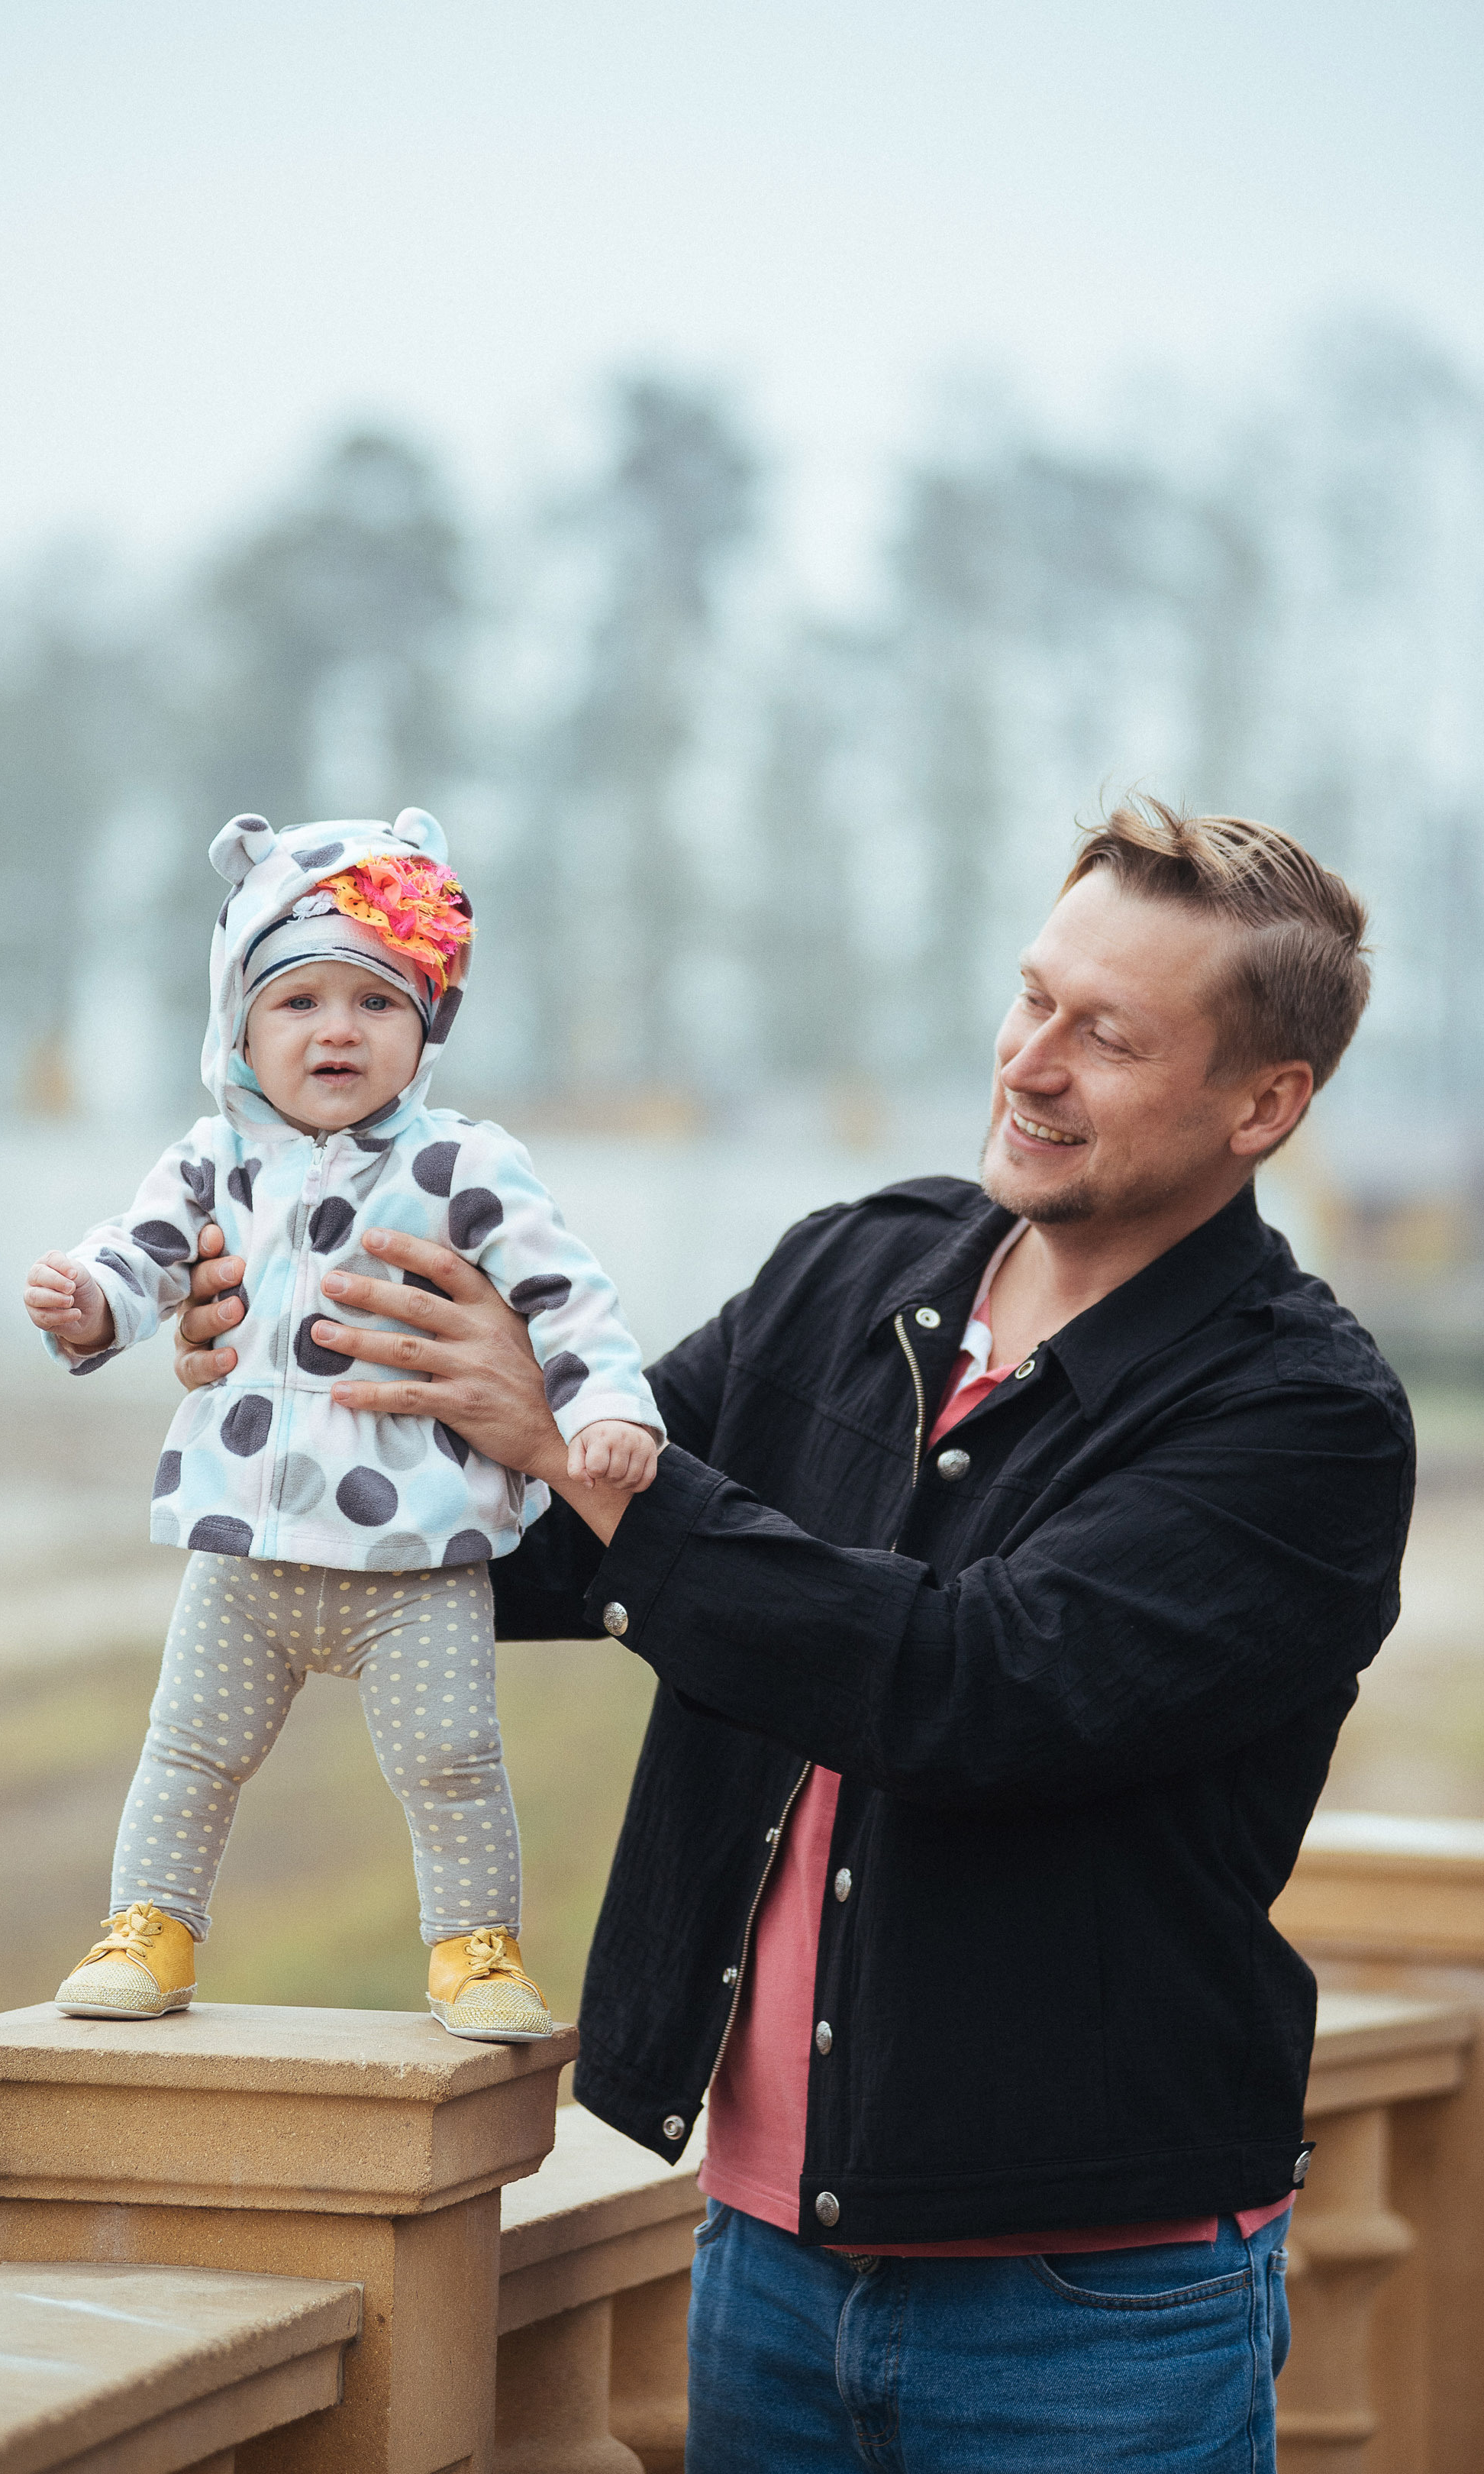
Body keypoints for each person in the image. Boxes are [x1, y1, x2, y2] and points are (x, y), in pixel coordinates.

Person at [174, 799, 1412, 2472]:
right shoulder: (855, 1268)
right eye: (1030, 996)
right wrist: (302, 1377)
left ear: (1265, 1104)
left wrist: (571, 1446)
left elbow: (967, 1691)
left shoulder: (1302, 1417)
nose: (1030, 1063)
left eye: (1107, 1037)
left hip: (1096, 2310)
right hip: (757, 2264)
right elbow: (547, 1557)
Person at [26, 806, 660, 2042]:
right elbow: (141, 1256)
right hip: (244, 1553)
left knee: (452, 1761)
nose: (338, 1029)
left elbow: (567, 1295)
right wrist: (92, 1301)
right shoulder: (211, 1160)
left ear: (428, 1024)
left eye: (377, 1001)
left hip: (415, 1556)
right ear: (239, 1025)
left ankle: (475, 1949)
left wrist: (607, 1408)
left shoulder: (465, 1165)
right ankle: (149, 1927)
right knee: (188, 1750)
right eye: (299, 999)